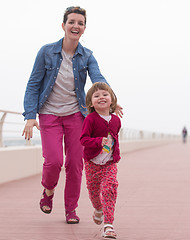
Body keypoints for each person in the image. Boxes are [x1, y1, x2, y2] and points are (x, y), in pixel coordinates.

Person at [22, 6, 123, 224]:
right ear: (63, 25)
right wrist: (30, 115)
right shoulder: (46, 52)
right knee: (54, 161)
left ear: (84, 28)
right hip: (49, 114)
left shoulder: (87, 56)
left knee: (75, 164)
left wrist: (111, 99)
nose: (75, 26)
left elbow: (98, 79)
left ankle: (71, 210)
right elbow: (33, 84)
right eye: (72, 22)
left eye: (80, 23)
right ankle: (48, 191)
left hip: (77, 116)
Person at [80, 82, 121, 239]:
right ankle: (98, 209)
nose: (101, 97)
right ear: (91, 103)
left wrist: (114, 154)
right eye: (96, 96)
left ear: (112, 100)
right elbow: (83, 139)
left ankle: (108, 225)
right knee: (93, 192)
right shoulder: (90, 119)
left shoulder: (116, 120)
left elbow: (115, 138)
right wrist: (98, 141)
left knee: (109, 188)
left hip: (110, 163)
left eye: (105, 94)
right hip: (92, 164)